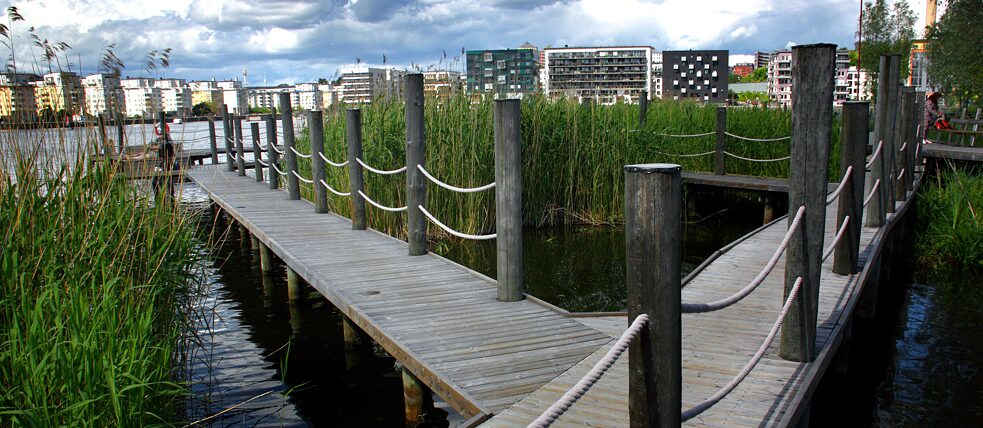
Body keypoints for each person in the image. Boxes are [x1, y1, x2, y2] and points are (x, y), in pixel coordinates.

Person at [152, 120, 176, 199]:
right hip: (163, 164)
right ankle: (168, 196)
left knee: (157, 181)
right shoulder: (166, 141)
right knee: (160, 181)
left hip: (164, 165)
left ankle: (162, 196)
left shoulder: (166, 142)